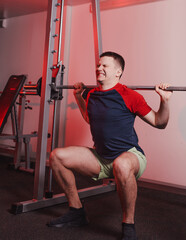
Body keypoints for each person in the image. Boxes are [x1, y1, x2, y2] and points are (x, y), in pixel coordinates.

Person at [47, 51, 172, 240]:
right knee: (57, 156)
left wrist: (164, 101)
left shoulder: (130, 96)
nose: (99, 68)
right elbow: (90, 118)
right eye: (98, 65)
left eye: (105, 66)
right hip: (101, 157)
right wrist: (79, 97)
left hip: (130, 156)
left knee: (121, 165)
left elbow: (159, 122)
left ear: (118, 72)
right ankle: (76, 212)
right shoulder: (92, 95)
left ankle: (128, 225)